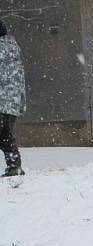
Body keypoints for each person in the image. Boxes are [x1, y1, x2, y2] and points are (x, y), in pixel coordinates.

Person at [0, 18, 26, 177]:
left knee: (4, 136)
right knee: (5, 136)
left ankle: (14, 166)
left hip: (1, 101)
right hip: (12, 103)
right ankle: (14, 166)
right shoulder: (13, 51)